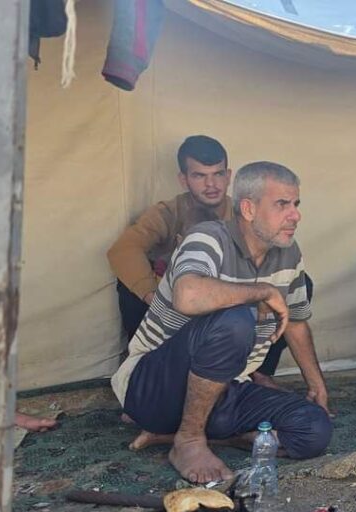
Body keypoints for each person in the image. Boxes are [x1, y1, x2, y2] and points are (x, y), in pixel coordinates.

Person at [110, 161, 332, 483]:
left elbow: (296, 323)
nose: (295, 215)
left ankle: (191, 437)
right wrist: (262, 291)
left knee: (314, 430)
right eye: (282, 204)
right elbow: (187, 295)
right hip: (154, 388)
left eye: (296, 204)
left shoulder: (288, 253)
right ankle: (187, 439)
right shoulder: (209, 238)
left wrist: (317, 387)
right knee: (235, 320)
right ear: (248, 208)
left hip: (225, 388)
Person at [107, 135, 309, 388]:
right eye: (200, 176)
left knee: (297, 285)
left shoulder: (246, 212)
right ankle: (143, 376)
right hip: (182, 303)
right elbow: (123, 250)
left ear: (229, 176)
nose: (211, 184)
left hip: (235, 298)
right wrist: (151, 294)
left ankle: (259, 370)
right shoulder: (168, 212)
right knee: (129, 288)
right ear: (183, 179)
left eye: (218, 174)